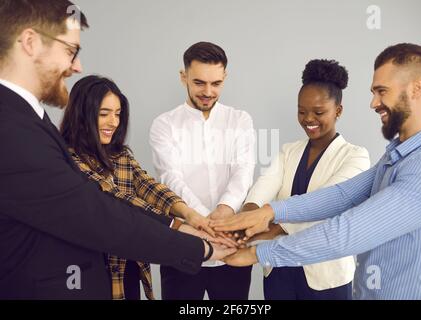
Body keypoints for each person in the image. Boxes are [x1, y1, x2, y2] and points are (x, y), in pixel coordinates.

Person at [0, 0, 235, 300]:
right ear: (30, 42)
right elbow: (100, 210)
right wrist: (200, 245)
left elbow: (145, 188)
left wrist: (188, 221)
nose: (77, 66)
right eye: (70, 51)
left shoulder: (30, 118)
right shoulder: (12, 128)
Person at [212, 43, 421, 300]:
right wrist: (268, 212)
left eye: (382, 91)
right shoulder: (400, 153)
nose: (373, 102)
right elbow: (342, 195)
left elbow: (346, 233)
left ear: (417, 88)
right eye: (373, 92)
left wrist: (257, 253)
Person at [59, 75, 236, 300]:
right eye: (104, 114)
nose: (113, 122)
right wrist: (183, 228)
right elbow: (117, 201)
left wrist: (191, 215)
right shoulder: (68, 161)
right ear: (81, 114)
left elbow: (148, 186)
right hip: (90, 270)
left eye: (118, 114)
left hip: (128, 264)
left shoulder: (120, 155)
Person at [242, 59, 370, 300]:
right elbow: (264, 185)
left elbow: (326, 204)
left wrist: (269, 230)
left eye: (319, 112)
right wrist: (247, 215)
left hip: (326, 273)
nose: (308, 119)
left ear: (338, 111)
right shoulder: (288, 151)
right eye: (302, 111)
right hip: (280, 270)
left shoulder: (355, 156)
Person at [150, 42, 255, 300]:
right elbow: (171, 179)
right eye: (199, 83)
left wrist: (224, 211)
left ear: (225, 77)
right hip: (182, 247)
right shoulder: (164, 125)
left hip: (232, 247)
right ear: (183, 76)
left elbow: (243, 171)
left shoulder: (240, 120)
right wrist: (207, 224)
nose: (208, 91)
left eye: (216, 83)